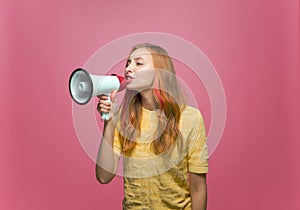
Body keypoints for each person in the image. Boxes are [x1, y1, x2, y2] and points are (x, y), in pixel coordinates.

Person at [95, 43, 208, 210]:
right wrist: (109, 121)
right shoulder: (124, 119)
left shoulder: (190, 118)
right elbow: (104, 176)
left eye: (138, 63)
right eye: (128, 63)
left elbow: (198, 188)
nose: (128, 69)